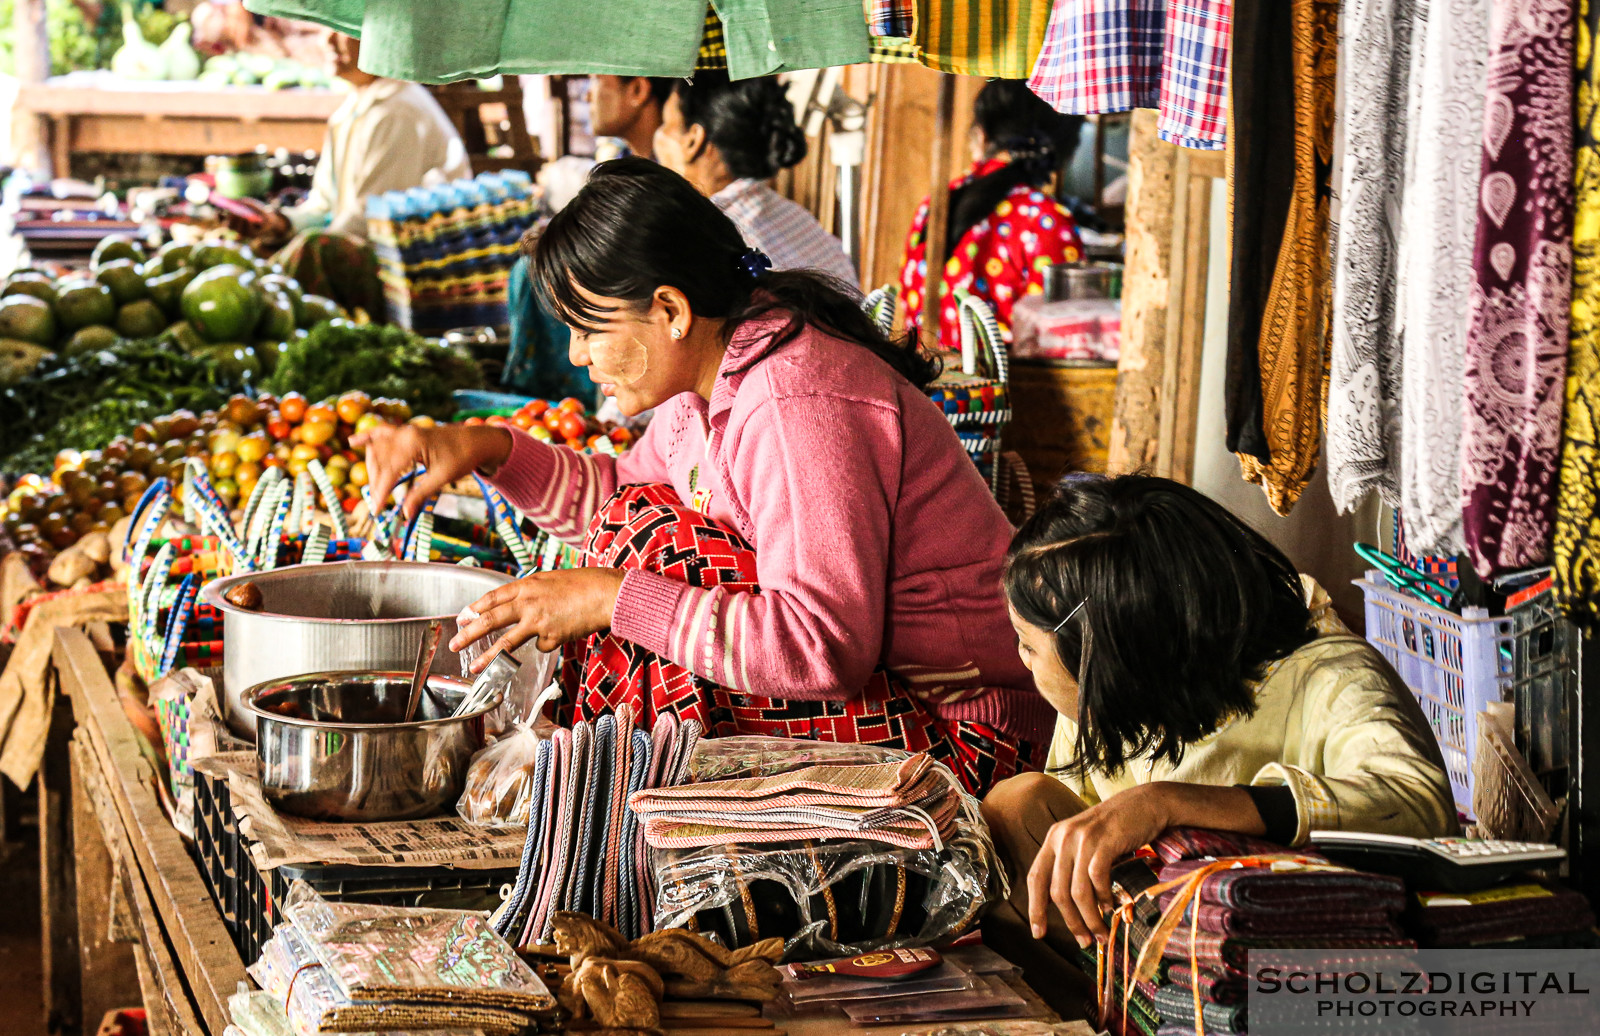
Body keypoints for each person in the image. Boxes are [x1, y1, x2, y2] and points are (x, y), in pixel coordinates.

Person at [355, 158, 1053, 795]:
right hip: (887, 700)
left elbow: (822, 647)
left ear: (670, 311)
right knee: (637, 532)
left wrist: (610, 599)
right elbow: (615, 500)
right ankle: (603, 810)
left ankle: (609, 818)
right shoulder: (711, 386)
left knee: (645, 549)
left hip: (964, 742)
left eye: (590, 328)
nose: (576, 354)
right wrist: (488, 450)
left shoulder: (795, 400)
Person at [980, 475, 1456, 989]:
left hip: (1299, 966)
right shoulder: (1110, 695)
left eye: (1028, 645)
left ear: (1110, 655)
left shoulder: (1328, 678)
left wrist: (1169, 803)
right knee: (1018, 808)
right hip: (1168, 945)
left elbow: (1418, 804)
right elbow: (1073, 836)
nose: (1022, 659)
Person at [238, 29, 470, 319]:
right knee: (267, 245)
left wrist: (278, 263)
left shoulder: (398, 111)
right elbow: (324, 205)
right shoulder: (351, 111)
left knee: (314, 251)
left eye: (345, 32)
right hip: (367, 248)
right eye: (327, 32)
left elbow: (366, 219)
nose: (329, 42)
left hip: (414, 270)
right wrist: (281, 223)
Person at [900, 80, 1087, 350]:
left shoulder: (933, 205)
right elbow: (1063, 341)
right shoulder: (1046, 220)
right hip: (1006, 392)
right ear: (1065, 152)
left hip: (923, 386)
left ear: (982, 136)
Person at [653, 71, 857, 286]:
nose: (659, 136)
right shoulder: (796, 218)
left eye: (665, 124)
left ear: (693, 140)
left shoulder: (701, 239)